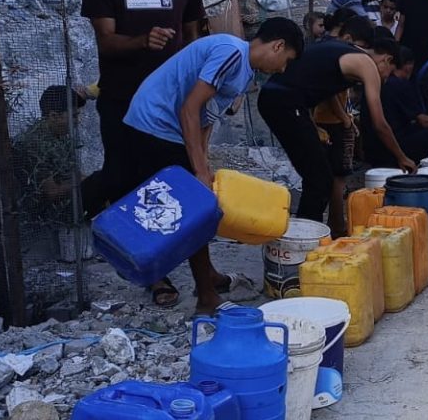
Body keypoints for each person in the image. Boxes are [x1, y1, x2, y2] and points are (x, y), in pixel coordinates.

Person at [116, 19, 302, 314]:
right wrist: (199, 172)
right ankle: (202, 295)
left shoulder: (244, 73)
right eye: (286, 61)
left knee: (195, 204)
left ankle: (206, 278)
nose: (282, 69)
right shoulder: (231, 52)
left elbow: (206, 118)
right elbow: (189, 108)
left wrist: (202, 163)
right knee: (190, 210)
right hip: (153, 124)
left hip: (171, 128)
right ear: (278, 46)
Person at [82, 0, 205, 300]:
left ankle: (202, 272)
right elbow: (105, 41)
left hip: (171, 107)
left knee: (181, 183)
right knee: (129, 184)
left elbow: (193, 40)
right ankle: (155, 273)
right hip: (123, 101)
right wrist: (142, 41)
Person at [258, 24, 414, 233]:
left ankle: (307, 231)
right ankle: (304, 238)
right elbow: (380, 124)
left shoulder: (344, 50)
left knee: (319, 174)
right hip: (283, 101)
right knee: (320, 180)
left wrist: (312, 126)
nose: (385, 79)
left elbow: (311, 80)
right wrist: (401, 157)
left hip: (280, 99)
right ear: (386, 59)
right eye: (389, 73)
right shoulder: (366, 64)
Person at [13, 85, 83, 239]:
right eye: (73, 116)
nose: (78, 121)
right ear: (54, 116)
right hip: (44, 216)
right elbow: (51, 192)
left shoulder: (59, 137)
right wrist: (81, 182)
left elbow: (72, 173)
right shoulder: (34, 143)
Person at [362, 46, 428, 168]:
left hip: (372, 148)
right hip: (393, 147)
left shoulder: (374, 83)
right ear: (408, 66)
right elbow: (425, 121)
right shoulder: (399, 84)